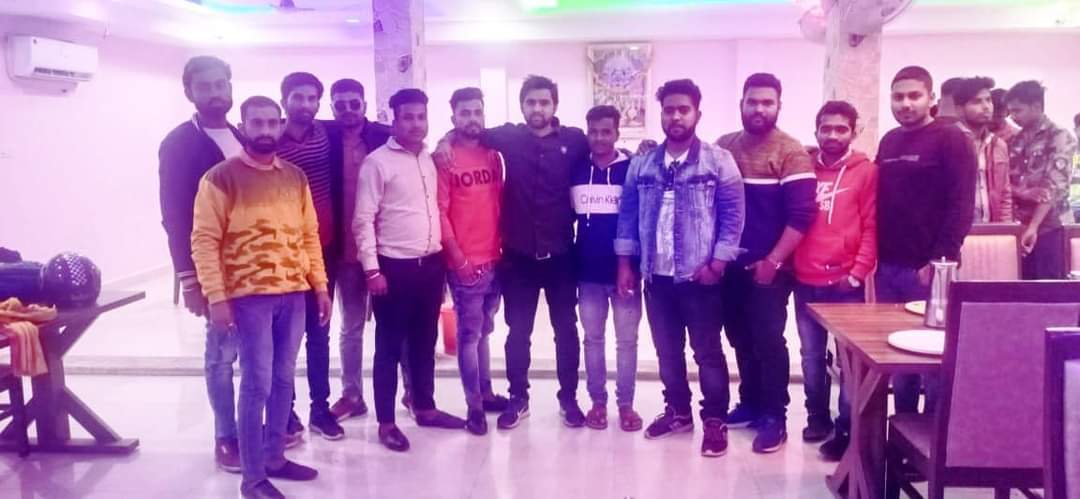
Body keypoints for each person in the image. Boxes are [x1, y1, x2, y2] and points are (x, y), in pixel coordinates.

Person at [191, 95, 328, 499]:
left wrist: (319, 285)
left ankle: (275, 457)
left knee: (284, 378)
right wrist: (216, 297)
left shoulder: (295, 177)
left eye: (272, 123)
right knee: (257, 384)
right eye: (257, 123)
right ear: (243, 126)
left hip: (294, 292)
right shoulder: (220, 178)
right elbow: (204, 241)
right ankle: (252, 479)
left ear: (280, 125)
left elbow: (309, 235)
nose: (265, 130)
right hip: (249, 297)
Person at [438, 75, 588, 430]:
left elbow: (603, 151)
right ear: (522, 106)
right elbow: (467, 130)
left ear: (555, 106)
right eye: (531, 102)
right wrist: (444, 139)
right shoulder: (508, 137)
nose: (538, 108)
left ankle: (568, 399)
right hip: (519, 257)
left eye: (544, 102)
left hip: (561, 255)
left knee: (566, 331)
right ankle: (518, 398)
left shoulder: (574, 140)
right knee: (517, 332)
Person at [615, 78, 745, 457]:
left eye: (683, 109)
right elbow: (628, 216)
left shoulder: (718, 160)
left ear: (697, 114)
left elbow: (733, 216)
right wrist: (626, 264)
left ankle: (715, 419)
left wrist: (717, 264)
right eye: (669, 109)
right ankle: (678, 412)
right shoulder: (642, 164)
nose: (675, 116)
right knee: (667, 352)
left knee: (707, 352)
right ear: (661, 114)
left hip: (700, 277)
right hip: (656, 277)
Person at [354, 88, 466, 452]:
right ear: (394, 119)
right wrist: (372, 270)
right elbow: (362, 220)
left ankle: (425, 407)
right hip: (393, 267)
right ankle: (386, 423)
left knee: (425, 341)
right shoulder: (377, 163)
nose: (416, 124)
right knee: (388, 347)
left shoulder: (432, 160)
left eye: (421, 117)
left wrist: (446, 139)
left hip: (431, 266)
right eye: (408, 117)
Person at [715, 73, 817, 454]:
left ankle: (775, 416)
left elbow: (802, 216)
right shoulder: (724, 146)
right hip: (729, 266)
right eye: (752, 101)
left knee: (768, 340)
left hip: (769, 269)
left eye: (767, 103)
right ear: (741, 104)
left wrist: (773, 262)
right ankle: (751, 402)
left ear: (778, 106)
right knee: (738, 336)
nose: (759, 109)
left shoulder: (791, 152)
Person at [158, 55, 242, 473]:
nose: (215, 94)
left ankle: (254, 427)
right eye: (205, 87)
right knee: (221, 356)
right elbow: (174, 214)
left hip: (253, 267)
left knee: (255, 354)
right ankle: (226, 437)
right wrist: (189, 279)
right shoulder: (179, 143)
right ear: (189, 92)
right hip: (213, 268)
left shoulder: (242, 134)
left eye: (220, 85)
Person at [876, 66, 976, 414]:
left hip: (930, 268)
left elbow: (962, 205)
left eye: (914, 96)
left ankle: (933, 435)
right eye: (898, 97)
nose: (905, 103)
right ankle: (902, 429)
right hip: (888, 267)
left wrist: (941, 261)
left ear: (931, 98)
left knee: (933, 356)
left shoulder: (952, 139)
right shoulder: (889, 141)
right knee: (897, 354)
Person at [792, 100, 878, 461]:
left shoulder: (866, 172)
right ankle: (817, 417)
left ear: (853, 132)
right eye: (825, 128)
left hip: (845, 283)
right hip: (804, 280)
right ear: (816, 131)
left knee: (848, 362)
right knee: (811, 356)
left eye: (841, 129)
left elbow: (871, 225)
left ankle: (845, 429)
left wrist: (858, 273)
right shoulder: (802, 167)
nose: (832, 135)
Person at [435, 87, 511, 436]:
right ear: (453, 117)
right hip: (465, 261)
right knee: (468, 335)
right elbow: (440, 211)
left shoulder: (493, 155)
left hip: (496, 258)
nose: (472, 119)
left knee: (484, 331)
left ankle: (487, 391)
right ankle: (474, 406)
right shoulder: (445, 158)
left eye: (477, 112)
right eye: (464, 113)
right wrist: (458, 258)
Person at [275, 72, 343, 441]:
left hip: (324, 248)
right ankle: (285, 410)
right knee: (285, 339)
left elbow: (367, 129)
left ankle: (320, 409)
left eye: (311, 98)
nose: (305, 104)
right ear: (284, 100)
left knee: (320, 334)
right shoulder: (271, 137)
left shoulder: (326, 133)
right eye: (297, 97)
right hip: (284, 253)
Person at [323, 78, 392, 423]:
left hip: (387, 250)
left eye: (354, 103)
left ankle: (411, 392)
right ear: (332, 108)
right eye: (340, 105)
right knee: (350, 327)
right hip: (346, 252)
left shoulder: (384, 136)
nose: (348, 110)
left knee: (394, 327)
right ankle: (352, 395)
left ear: (364, 104)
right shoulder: (325, 138)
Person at [572, 104, 644, 432]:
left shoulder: (632, 170)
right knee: (593, 339)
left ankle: (626, 404)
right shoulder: (576, 170)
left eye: (606, 132)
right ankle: (597, 402)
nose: (599, 138)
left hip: (626, 271)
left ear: (617, 133)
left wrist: (629, 266)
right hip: (587, 271)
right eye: (593, 132)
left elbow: (637, 221)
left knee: (627, 341)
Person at [1005, 80, 1077, 279]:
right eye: (1010, 111)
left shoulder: (1059, 136)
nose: (1013, 116)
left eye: (1017, 110)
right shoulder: (1016, 140)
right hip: (1020, 225)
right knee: (1023, 286)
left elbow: (1052, 187)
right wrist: (1023, 193)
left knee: (1048, 286)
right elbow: (1006, 184)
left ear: (1036, 106)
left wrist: (1033, 227)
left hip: (1050, 227)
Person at [954, 76, 1013, 223]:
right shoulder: (947, 141)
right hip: (956, 229)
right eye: (977, 101)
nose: (986, 106)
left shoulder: (999, 145)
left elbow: (1005, 194)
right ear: (959, 109)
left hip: (991, 227)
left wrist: (1005, 227)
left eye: (988, 100)